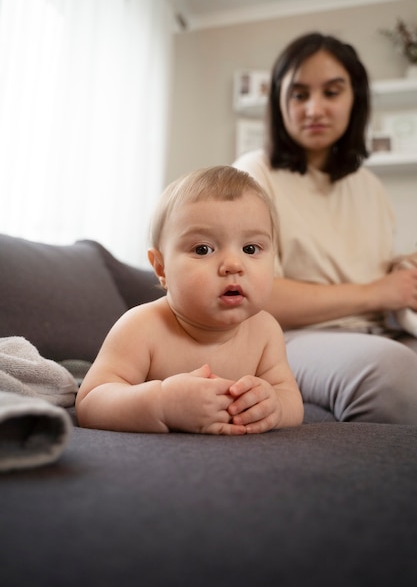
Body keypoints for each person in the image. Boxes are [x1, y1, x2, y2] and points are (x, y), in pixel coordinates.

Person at [233, 32, 417, 424]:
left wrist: (403, 272)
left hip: (374, 332)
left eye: (332, 93)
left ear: (356, 100)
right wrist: (376, 292)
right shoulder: (254, 173)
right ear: (279, 103)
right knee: (391, 372)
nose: (315, 109)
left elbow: (373, 274)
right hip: (285, 339)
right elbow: (253, 295)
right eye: (299, 95)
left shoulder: (369, 186)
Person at [76, 166, 304, 434]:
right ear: (161, 268)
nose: (233, 264)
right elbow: (91, 402)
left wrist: (273, 405)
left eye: (250, 249)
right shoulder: (141, 327)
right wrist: (162, 403)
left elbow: (292, 401)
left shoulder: (265, 331)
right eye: (203, 249)